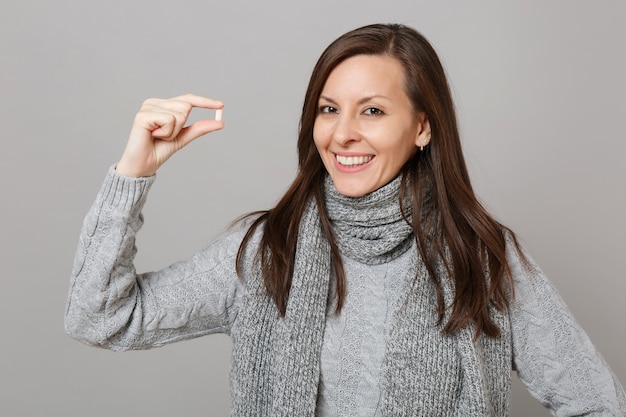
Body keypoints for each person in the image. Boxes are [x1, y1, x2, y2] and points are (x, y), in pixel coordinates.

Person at [65, 23, 626, 416]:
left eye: (373, 111)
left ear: (423, 128)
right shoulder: (267, 250)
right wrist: (133, 173)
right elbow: (99, 318)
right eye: (328, 109)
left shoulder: (479, 257)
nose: (342, 133)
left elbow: (597, 402)